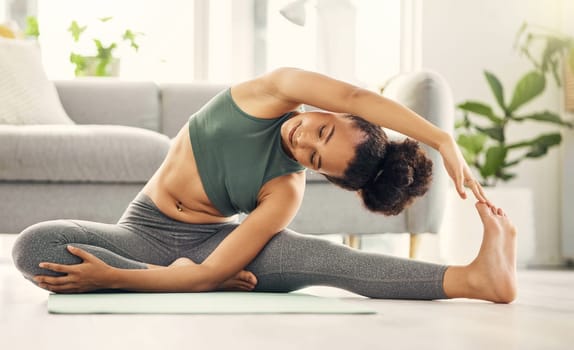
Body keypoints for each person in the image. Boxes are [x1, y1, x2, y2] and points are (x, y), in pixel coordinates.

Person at [12, 67, 517, 303]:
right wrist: (440, 139)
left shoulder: (285, 191)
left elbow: (213, 262)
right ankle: (188, 281)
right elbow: (358, 93)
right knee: (36, 246)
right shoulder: (272, 93)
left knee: (331, 263)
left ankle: (474, 278)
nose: (302, 142)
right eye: (320, 130)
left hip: (214, 245)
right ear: (333, 112)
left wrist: (121, 279)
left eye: (315, 159)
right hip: (140, 234)